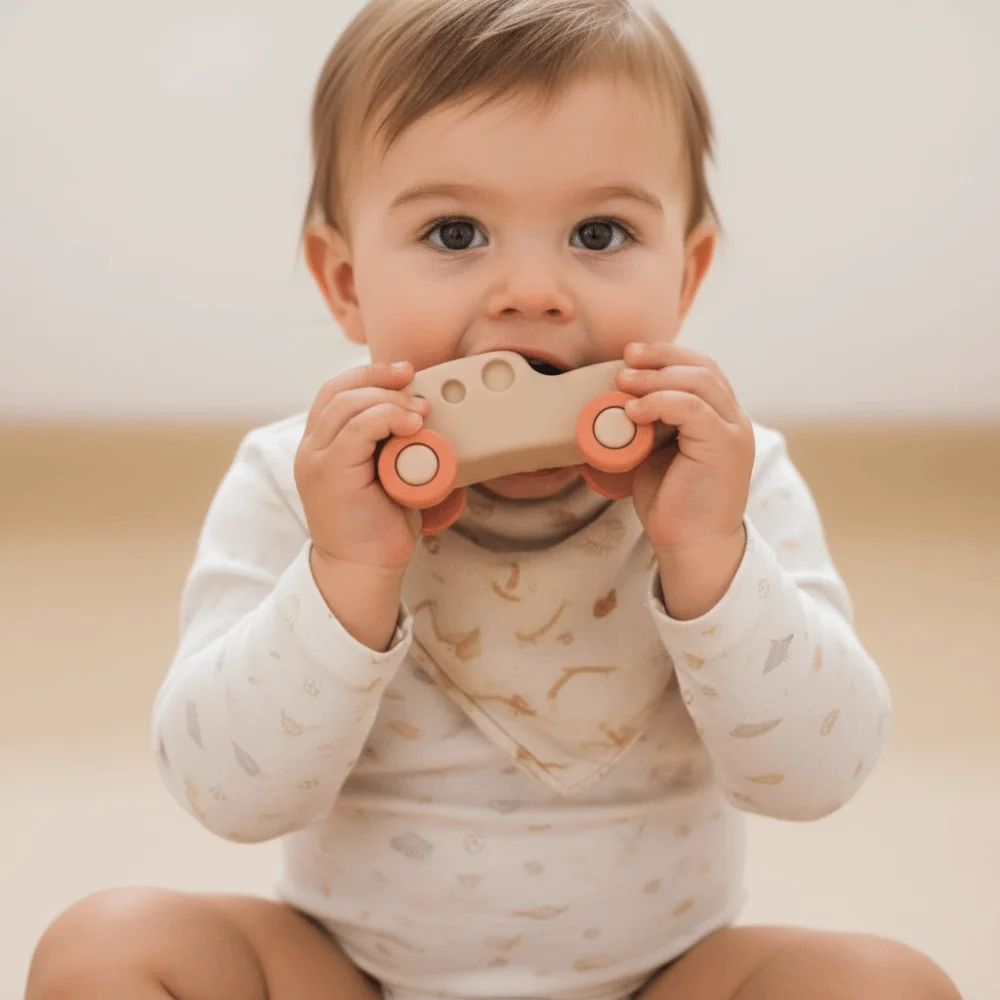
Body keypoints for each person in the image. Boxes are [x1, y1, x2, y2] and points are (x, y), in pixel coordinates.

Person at [26, 1, 961, 998]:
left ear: (685, 275)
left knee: (883, 980)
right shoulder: (297, 480)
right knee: (109, 944)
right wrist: (344, 574)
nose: (531, 291)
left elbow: (819, 778)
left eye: (599, 233)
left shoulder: (727, 479)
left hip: (664, 977)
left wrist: (710, 558)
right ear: (344, 282)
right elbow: (227, 795)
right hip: (349, 971)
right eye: (454, 231)